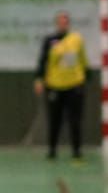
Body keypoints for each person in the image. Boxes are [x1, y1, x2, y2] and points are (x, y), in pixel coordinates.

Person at [33, 10, 87, 162]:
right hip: (55, 86)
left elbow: (83, 60)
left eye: (65, 21)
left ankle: (77, 152)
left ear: (68, 23)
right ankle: (52, 151)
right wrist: (39, 80)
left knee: (74, 120)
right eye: (60, 21)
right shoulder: (50, 41)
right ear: (57, 23)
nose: (63, 24)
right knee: (54, 120)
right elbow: (42, 61)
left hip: (74, 86)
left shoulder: (76, 39)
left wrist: (84, 77)